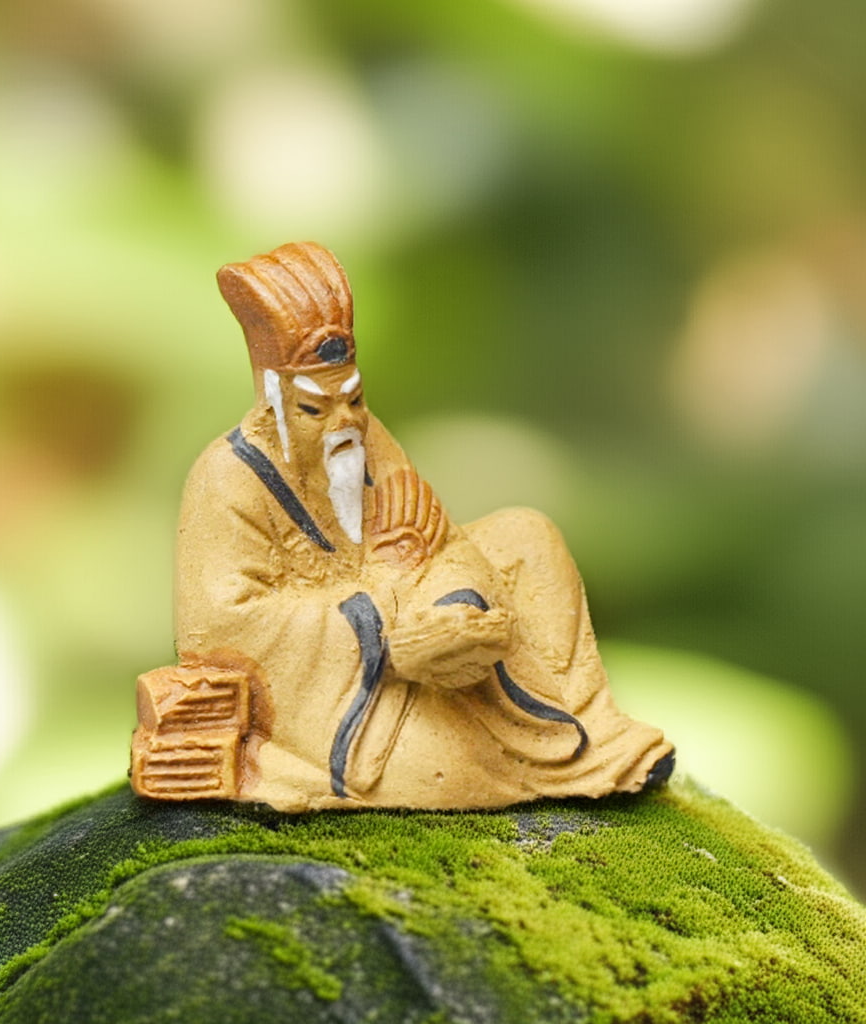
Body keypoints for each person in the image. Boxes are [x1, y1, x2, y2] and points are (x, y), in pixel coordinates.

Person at [141, 241, 673, 811]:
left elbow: (432, 539)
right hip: (339, 694)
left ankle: (587, 723)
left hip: (421, 635)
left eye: (354, 400)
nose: (344, 423)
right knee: (453, 768)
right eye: (316, 411)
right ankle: (539, 756)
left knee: (526, 534)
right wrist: (386, 617)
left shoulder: (364, 438)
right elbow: (225, 624)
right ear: (273, 407)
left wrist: (453, 606)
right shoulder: (227, 477)